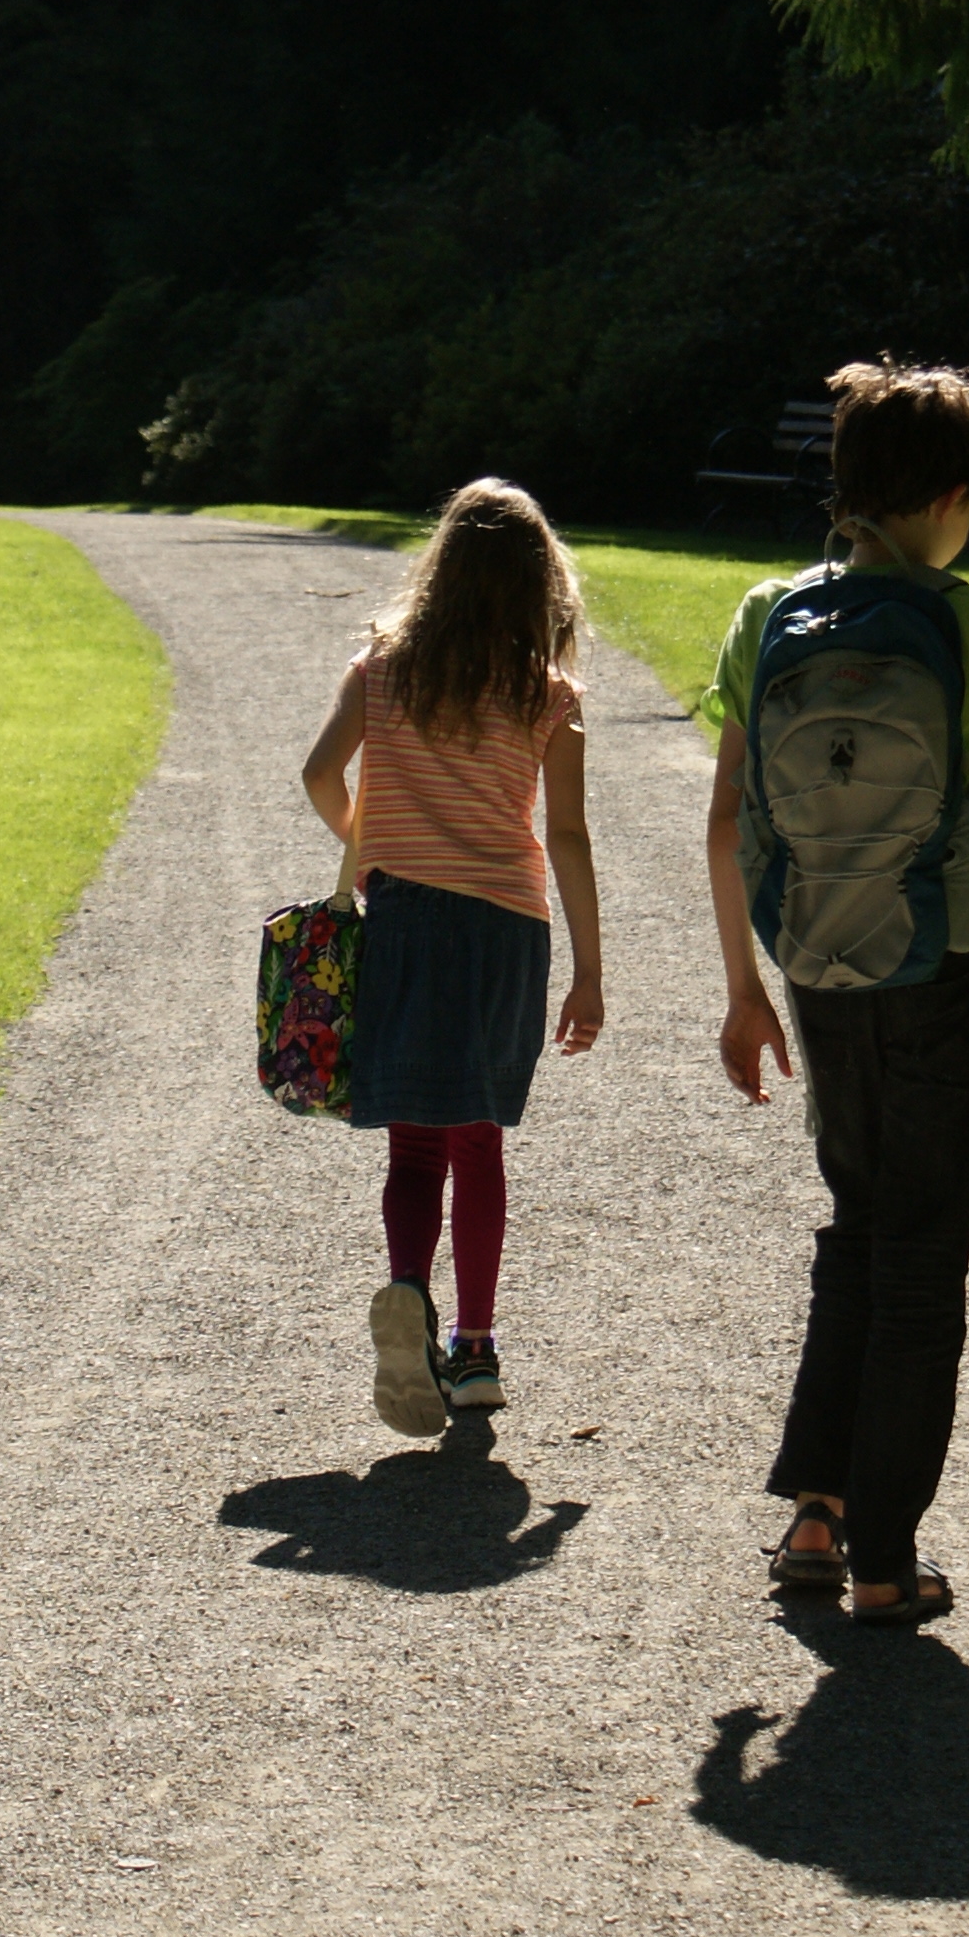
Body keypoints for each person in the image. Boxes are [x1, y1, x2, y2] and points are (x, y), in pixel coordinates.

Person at [705, 358, 969, 1625]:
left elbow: (727, 820)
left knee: (858, 1222)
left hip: (814, 958)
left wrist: (741, 988)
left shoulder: (768, 612)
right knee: (924, 1252)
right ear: (949, 495)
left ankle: (818, 1510)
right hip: (941, 964)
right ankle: (884, 1558)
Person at [302, 480, 604, 1435]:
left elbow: (318, 772)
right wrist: (591, 973)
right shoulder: (548, 693)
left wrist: (368, 841)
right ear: (538, 585)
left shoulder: (382, 669)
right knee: (480, 1140)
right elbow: (570, 838)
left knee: (412, 1141)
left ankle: (405, 1292)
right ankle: (474, 1349)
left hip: (403, 920)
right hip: (506, 927)